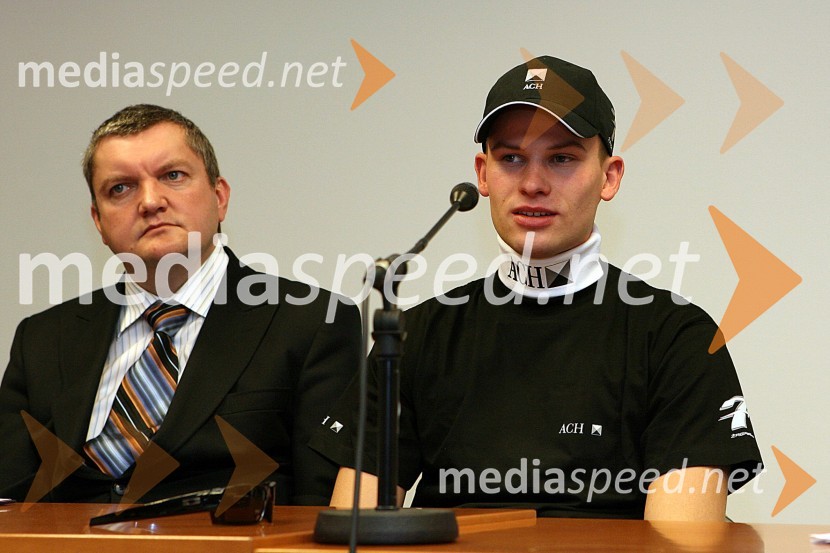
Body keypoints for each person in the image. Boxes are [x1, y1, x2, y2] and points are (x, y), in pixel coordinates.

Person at [309, 56, 763, 520]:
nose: (532, 183)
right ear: (482, 175)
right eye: (511, 159)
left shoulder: (676, 335)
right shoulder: (414, 334)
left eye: (561, 158)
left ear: (610, 177)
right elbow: (354, 528)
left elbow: (681, 541)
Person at [0, 104, 361, 505]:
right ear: (98, 222)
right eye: (121, 188)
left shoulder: (311, 322)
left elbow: (324, 508)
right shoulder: (43, 338)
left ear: (219, 197)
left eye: (173, 176)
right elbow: (10, 496)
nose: (150, 202)